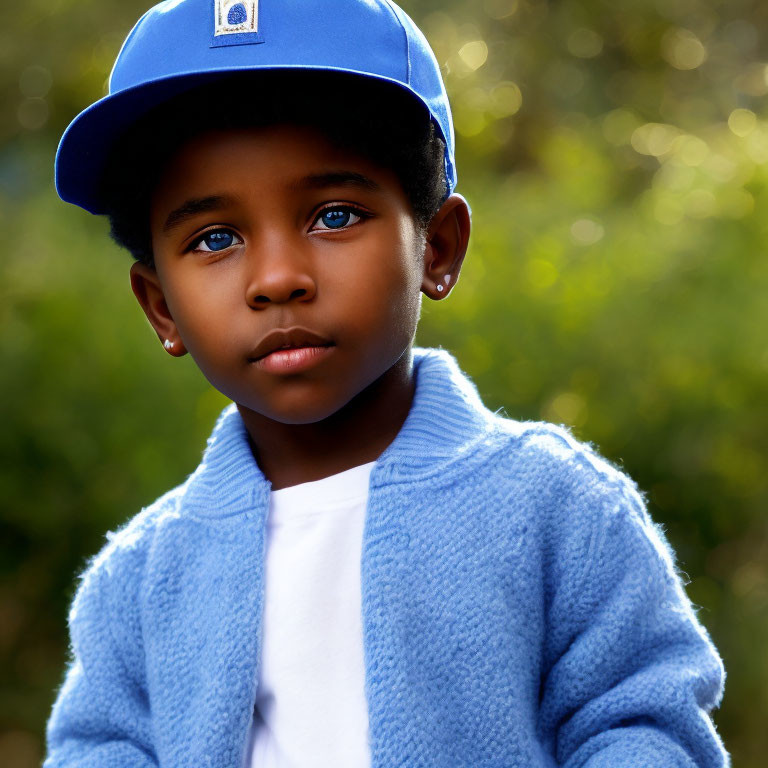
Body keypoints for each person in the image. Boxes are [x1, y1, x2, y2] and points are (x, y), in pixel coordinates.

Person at [44, 1, 730, 766]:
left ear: (437, 247)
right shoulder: (137, 580)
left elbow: (642, 724)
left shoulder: (556, 507)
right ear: (161, 306)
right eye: (216, 238)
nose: (277, 278)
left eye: (334, 216)